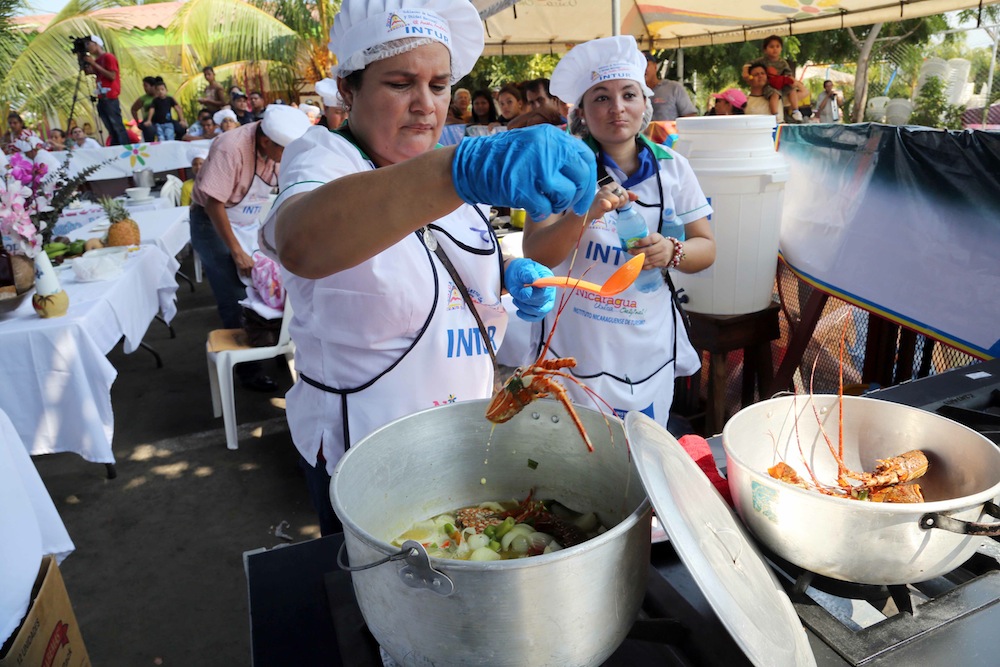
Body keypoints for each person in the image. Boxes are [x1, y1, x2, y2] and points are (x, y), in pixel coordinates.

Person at [260, 0, 597, 535]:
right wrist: (455, 171)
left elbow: (439, 274)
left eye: (439, 86)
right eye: (399, 83)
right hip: (367, 453)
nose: (425, 106)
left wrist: (507, 286)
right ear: (349, 89)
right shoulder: (325, 157)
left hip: (462, 441)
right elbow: (301, 243)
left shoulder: (448, 170)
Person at [524, 34, 716, 432]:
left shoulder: (674, 169)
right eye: (600, 98)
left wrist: (672, 250)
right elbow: (537, 254)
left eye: (629, 94)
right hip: (575, 343)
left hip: (646, 342)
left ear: (646, 103)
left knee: (639, 461)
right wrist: (584, 213)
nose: (617, 108)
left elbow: (706, 248)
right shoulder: (556, 167)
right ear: (582, 111)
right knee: (569, 455)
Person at [190, 105, 312, 393]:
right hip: (213, 223)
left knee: (271, 287)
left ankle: (275, 345)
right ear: (267, 141)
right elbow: (213, 203)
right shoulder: (230, 148)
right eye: (283, 151)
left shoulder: (281, 148)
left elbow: (287, 191)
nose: (286, 157)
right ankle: (248, 370)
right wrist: (235, 251)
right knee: (235, 293)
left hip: (246, 221)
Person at [742, 35, 806, 122]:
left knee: (791, 90)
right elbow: (747, 65)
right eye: (771, 47)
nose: (775, 49)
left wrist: (793, 82)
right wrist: (745, 72)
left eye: (777, 46)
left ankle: (795, 111)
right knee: (775, 95)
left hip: (779, 85)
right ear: (765, 50)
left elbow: (802, 90)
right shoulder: (744, 102)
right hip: (770, 88)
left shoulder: (783, 62)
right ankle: (775, 115)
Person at [82, 35, 130, 146]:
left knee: (117, 125)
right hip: (102, 96)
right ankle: (117, 145)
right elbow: (89, 72)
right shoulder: (98, 60)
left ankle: (124, 146)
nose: (87, 47)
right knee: (110, 127)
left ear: (96, 44)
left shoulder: (108, 57)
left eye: (88, 44)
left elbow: (112, 76)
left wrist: (93, 63)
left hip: (110, 96)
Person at [644, 52, 698, 121]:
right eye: (638, 66)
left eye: (646, 65)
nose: (643, 69)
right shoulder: (633, 92)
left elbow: (690, 116)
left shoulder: (673, 88)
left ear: (655, 67)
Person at [131, 76, 158, 142]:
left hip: (163, 119)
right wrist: (137, 122)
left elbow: (176, 106)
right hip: (149, 121)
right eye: (144, 86)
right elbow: (133, 109)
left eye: (146, 86)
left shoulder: (163, 95)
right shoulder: (143, 98)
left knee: (179, 128)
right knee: (149, 129)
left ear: (153, 86)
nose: (144, 89)